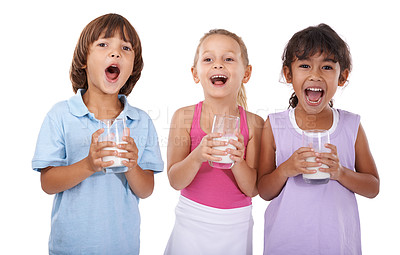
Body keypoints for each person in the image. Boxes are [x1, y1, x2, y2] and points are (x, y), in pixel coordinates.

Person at [32, 13, 163, 255]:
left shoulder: (141, 121)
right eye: (103, 44)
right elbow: (47, 183)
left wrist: (133, 166)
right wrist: (89, 165)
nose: (116, 53)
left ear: (133, 66)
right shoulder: (61, 115)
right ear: (84, 59)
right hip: (70, 248)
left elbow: (146, 190)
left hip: (123, 247)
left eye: (125, 48)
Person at [257, 23, 380, 255]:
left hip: (338, 246)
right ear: (288, 74)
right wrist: (285, 169)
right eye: (305, 65)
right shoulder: (274, 124)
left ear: (342, 77)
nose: (315, 75)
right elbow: (264, 190)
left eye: (326, 67)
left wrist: (341, 173)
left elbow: (373, 187)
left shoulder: (351, 125)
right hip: (286, 245)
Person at [164, 29, 263, 255]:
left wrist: (238, 161)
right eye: (208, 59)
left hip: (235, 225)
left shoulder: (256, 124)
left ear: (246, 73)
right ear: (195, 73)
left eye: (228, 59)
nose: (218, 65)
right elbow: (175, 181)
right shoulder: (184, 117)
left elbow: (253, 188)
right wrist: (198, 155)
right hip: (191, 221)